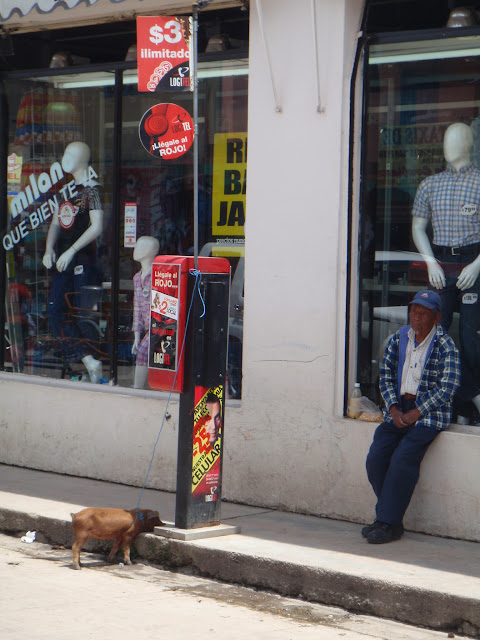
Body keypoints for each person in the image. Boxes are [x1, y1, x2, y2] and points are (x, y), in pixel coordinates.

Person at [363, 290, 460, 544]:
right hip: (399, 410)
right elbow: (385, 375)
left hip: (428, 414)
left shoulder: (445, 344)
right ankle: (389, 519)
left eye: (423, 314)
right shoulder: (399, 338)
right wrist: (393, 409)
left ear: (436, 318)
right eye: (414, 312)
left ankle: (387, 522)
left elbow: (448, 387)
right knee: (376, 459)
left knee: (402, 460)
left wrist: (417, 412)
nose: (416, 318)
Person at [412, 122, 480, 420]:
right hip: (441, 261)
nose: (448, 145)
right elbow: (418, 227)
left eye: (456, 139)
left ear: (469, 144)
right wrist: (430, 262)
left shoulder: (479, 182)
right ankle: (462, 398)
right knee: (433, 333)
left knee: (470, 336)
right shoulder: (430, 185)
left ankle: (467, 404)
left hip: (473, 260)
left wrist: (476, 265)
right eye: (446, 139)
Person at [42, 141, 103, 382]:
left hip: (83, 260)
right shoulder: (65, 193)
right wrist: (49, 248)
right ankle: (86, 361)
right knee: (55, 310)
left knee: (82, 314)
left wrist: (72, 250)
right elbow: (55, 223)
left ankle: (88, 365)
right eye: (65, 153)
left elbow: (97, 226)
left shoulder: (93, 190)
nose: (65, 158)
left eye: (70, 154)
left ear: (83, 158)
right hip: (64, 261)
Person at [131, 235, 159, 389]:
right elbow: (137, 308)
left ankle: (137, 388)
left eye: (140, 246)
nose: (135, 250)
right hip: (149, 328)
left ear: (150, 251)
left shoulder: (159, 275)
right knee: (145, 354)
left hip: (160, 325)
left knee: (142, 353)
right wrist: (137, 336)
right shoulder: (137, 278)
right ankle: (142, 388)